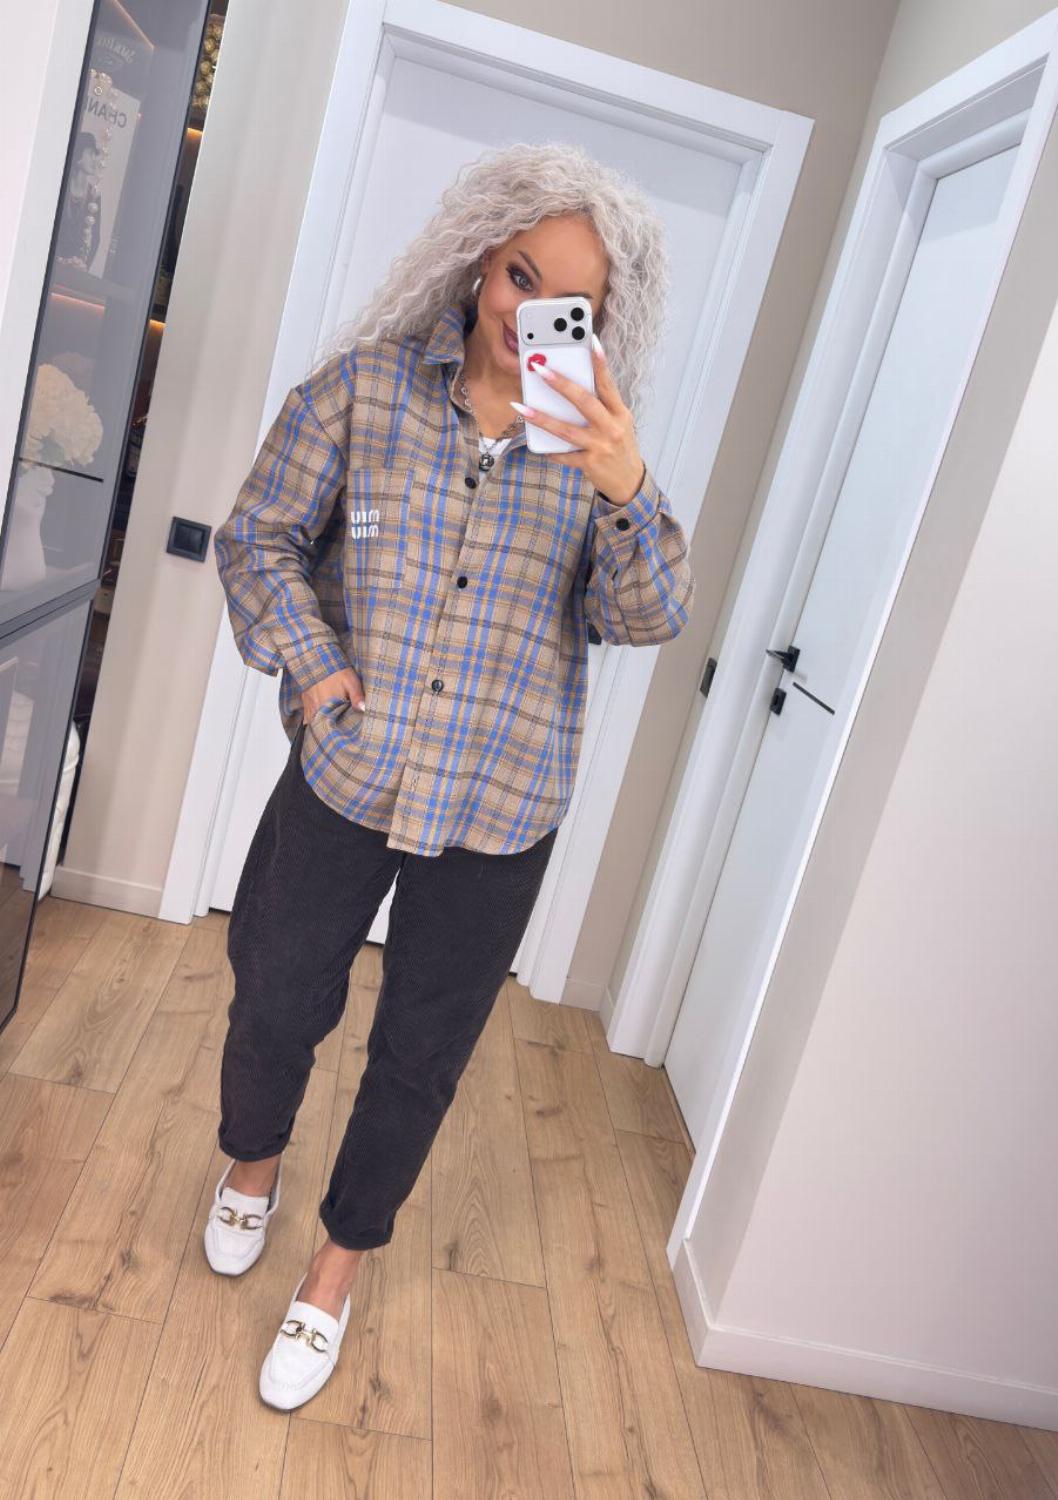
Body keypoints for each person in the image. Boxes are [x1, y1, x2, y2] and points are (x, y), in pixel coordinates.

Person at [206, 140, 695, 1410]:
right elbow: (258, 538)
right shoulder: (361, 393)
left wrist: (625, 487)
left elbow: (646, 617)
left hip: (499, 805)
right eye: (519, 274)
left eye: (566, 300)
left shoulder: (593, 455)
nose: (526, 313)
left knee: (420, 1055)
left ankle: (334, 1270)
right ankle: (250, 1164)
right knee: (273, 995)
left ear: (597, 321)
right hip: (349, 774)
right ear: (481, 258)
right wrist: (316, 664)